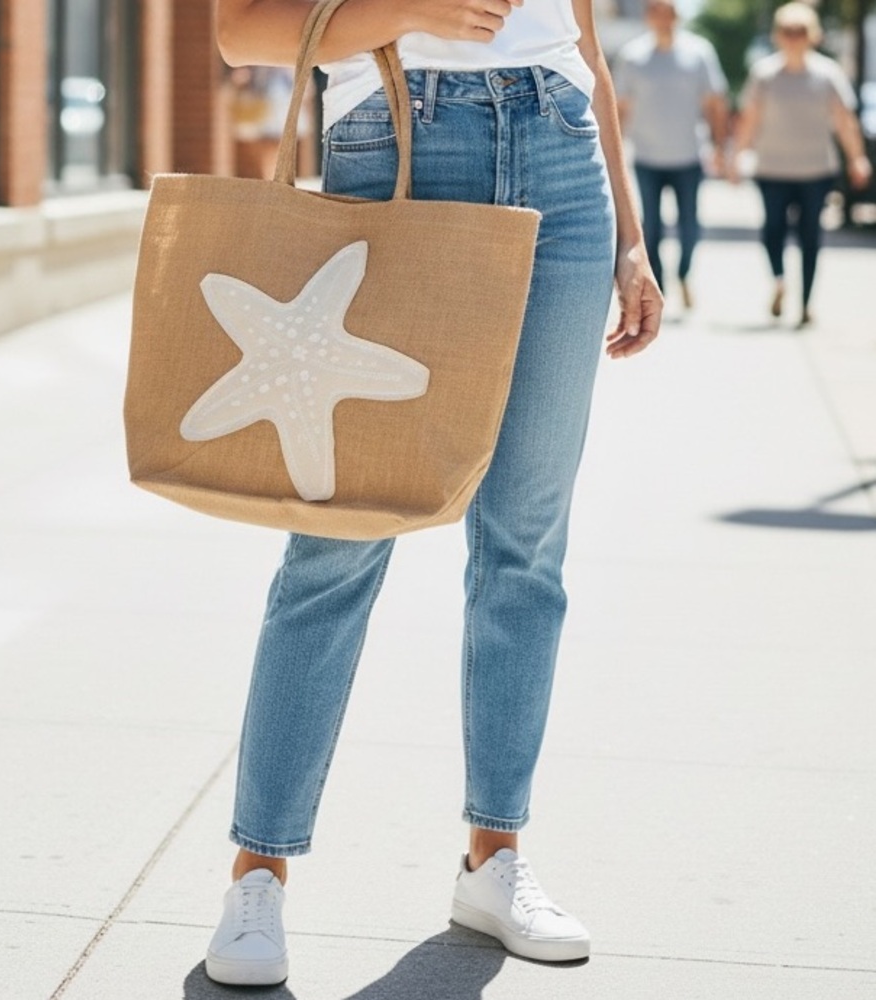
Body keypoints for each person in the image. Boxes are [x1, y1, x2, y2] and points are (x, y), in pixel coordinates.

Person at [207, 0, 663, 986]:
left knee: (526, 548)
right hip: (401, 140)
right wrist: (410, 8)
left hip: (562, 154)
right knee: (336, 544)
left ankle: (493, 858)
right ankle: (259, 873)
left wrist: (631, 236)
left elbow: (583, 41)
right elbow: (241, 31)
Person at [730, 2, 872, 327]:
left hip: (816, 171)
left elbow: (845, 121)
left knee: (810, 237)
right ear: (778, 35)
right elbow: (749, 119)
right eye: (787, 31)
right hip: (771, 169)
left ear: (813, 35)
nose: (794, 37)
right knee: (773, 230)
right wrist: (736, 157)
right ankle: (779, 280)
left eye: (800, 31)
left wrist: (857, 158)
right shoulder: (764, 74)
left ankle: (806, 303)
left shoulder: (828, 73)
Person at [614, 0, 729, 309]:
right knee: (650, 226)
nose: (662, 19)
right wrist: (616, 151)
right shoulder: (633, 56)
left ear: (677, 16)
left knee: (690, 225)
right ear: (648, 17)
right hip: (647, 157)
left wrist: (720, 147)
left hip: (689, 156)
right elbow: (620, 107)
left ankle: (684, 273)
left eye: (668, 12)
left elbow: (715, 103)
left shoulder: (699, 52)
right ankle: (660, 286)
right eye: (655, 12)